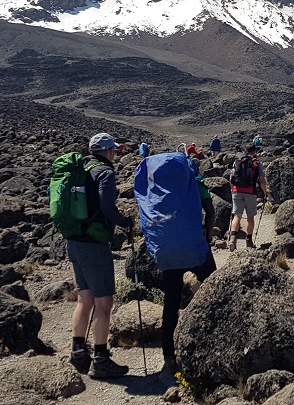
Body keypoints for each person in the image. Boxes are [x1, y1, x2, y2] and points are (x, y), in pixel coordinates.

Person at [134, 152, 217, 374]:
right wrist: (206, 239)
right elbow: (211, 211)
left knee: (171, 301)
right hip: (194, 245)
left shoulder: (155, 188)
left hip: (167, 251)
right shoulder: (194, 180)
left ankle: (168, 355)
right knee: (214, 287)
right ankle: (213, 338)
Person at [68, 133, 133, 379]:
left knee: (84, 299)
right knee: (104, 303)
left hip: (74, 240)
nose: (115, 154)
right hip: (94, 243)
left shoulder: (80, 169)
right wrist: (124, 222)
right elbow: (107, 206)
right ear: (107, 151)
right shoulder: (104, 172)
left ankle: (77, 353)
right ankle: (101, 359)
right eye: (113, 150)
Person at [228, 144, 269, 250]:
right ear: (254, 152)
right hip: (250, 192)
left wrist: (233, 189)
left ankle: (232, 238)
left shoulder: (237, 161)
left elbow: (231, 177)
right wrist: (265, 192)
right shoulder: (257, 163)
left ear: (245, 151)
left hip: (237, 191)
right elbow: (262, 180)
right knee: (250, 217)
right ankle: (249, 241)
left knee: (237, 215)